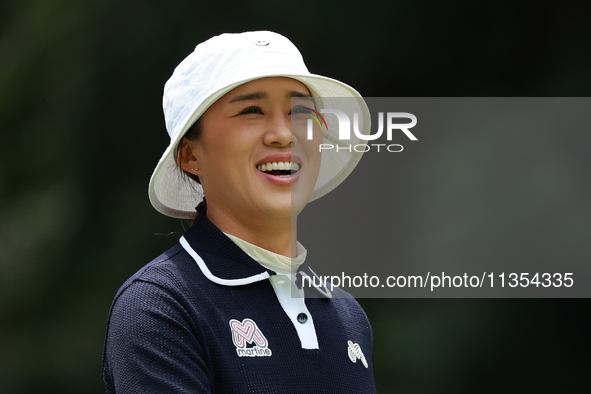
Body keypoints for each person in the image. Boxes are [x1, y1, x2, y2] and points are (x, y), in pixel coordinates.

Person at [102, 31, 377, 393]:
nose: (283, 134)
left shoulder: (347, 315)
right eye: (251, 110)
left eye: (300, 111)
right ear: (190, 155)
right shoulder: (160, 306)